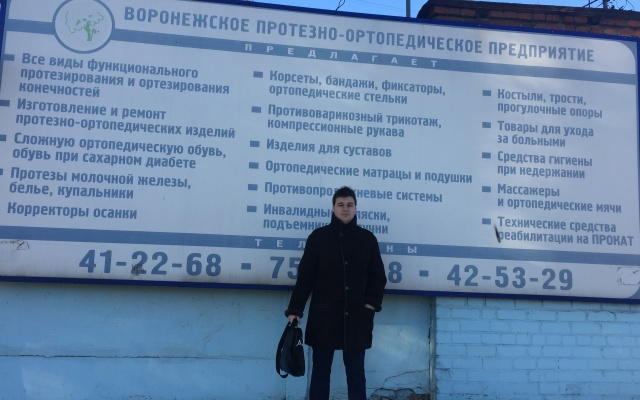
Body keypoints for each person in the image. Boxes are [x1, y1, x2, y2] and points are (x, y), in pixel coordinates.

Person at [285, 186, 387, 400]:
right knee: (320, 373)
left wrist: (370, 306)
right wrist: (295, 309)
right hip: (324, 317)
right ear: (333, 208)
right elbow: (306, 277)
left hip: (358, 317)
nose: (345, 209)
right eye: (340, 204)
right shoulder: (318, 238)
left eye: (350, 204)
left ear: (356, 207)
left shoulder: (367, 239)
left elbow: (378, 277)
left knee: (356, 374)